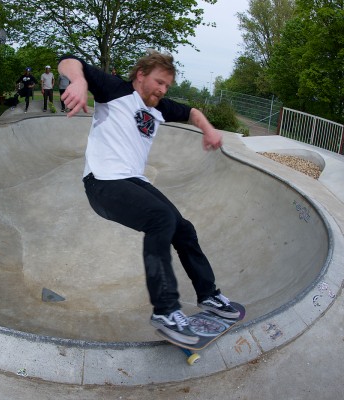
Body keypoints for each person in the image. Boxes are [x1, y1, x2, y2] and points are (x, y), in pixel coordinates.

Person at [58, 49, 239, 345]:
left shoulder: (160, 107)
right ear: (140, 75)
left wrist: (209, 130)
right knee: (160, 218)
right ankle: (166, 310)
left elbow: (192, 112)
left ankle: (209, 294)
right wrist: (78, 81)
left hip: (132, 181)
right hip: (102, 183)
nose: (162, 90)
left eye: (167, 86)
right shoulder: (114, 89)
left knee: (183, 228)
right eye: (158, 82)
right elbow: (68, 60)